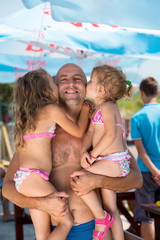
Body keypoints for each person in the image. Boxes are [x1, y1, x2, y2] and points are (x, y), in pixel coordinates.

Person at [2, 63, 142, 240]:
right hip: (56, 231)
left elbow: (136, 179)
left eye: (78, 79)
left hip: (96, 230)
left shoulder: (103, 128)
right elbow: (7, 187)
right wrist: (39, 203)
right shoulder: (38, 131)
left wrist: (98, 181)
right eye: (63, 79)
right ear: (52, 87)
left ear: (88, 86)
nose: (71, 83)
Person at [12, 68, 92, 240]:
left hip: (27, 178)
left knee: (42, 235)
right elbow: (78, 131)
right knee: (66, 221)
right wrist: (86, 108)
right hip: (34, 177)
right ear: (45, 90)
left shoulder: (30, 116)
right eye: (53, 82)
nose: (57, 86)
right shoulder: (50, 110)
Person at [71, 65, 132, 240]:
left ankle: (100, 218)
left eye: (90, 81)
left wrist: (92, 155)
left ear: (101, 89)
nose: (87, 83)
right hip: (107, 162)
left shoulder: (108, 107)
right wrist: (83, 150)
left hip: (114, 161)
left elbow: (110, 134)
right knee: (110, 206)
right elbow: (91, 133)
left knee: (79, 178)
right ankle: (110, 225)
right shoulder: (98, 108)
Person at [130, 77, 160, 240]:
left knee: (146, 216)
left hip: (147, 173)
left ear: (142, 93)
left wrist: (155, 172)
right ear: (157, 92)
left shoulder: (137, 118)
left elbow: (141, 151)